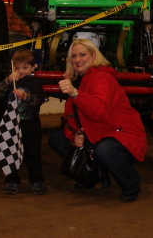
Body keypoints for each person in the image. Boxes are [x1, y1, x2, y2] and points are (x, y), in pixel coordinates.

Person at [49, 39, 147, 203]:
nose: (77, 59)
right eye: (73, 56)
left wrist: (75, 94)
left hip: (120, 133)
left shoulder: (101, 77)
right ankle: (98, 175)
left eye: (82, 54)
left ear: (93, 56)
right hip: (96, 133)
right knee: (57, 139)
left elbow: (98, 112)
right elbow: (70, 116)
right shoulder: (78, 80)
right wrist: (74, 136)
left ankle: (131, 185)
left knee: (106, 149)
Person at [0, 49, 46, 195]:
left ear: (33, 67)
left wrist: (25, 96)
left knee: (33, 154)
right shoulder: (10, 81)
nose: (21, 71)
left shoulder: (35, 82)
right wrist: (8, 80)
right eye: (17, 68)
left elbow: (38, 100)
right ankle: (11, 180)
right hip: (11, 124)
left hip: (31, 124)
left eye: (25, 67)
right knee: (10, 152)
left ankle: (37, 180)